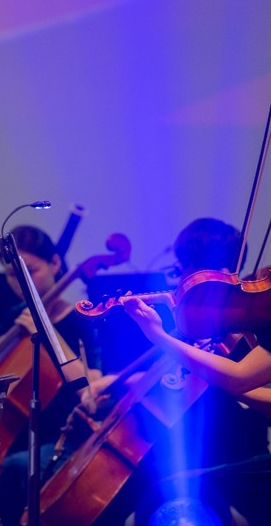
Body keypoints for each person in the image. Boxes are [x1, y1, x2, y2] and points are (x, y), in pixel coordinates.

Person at [122, 218, 270, 525]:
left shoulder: (247, 323)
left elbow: (239, 377)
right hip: (199, 455)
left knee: (168, 489)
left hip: (240, 455)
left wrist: (159, 336)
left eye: (186, 268)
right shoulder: (234, 321)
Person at [0, 225, 102, 526]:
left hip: (64, 437)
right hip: (14, 436)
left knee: (16, 468)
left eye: (31, 272)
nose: (22, 283)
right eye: (12, 275)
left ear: (55, 263)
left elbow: (92, 385)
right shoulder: (15, 317)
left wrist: (47, 333)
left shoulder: (80, 319)